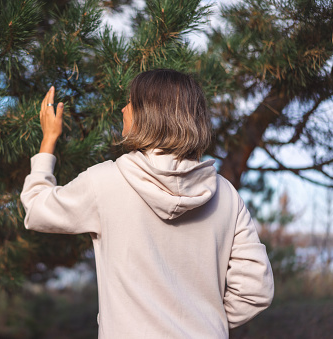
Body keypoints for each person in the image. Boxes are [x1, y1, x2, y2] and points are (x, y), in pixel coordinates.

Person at [20, 69, 274, 339]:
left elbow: (37, 209)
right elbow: (255, 290)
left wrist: (48, 140)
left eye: (131, 102)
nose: (123, 109)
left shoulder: (105, 182)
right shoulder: (226, 195)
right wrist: (205, 325)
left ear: (149, 113)